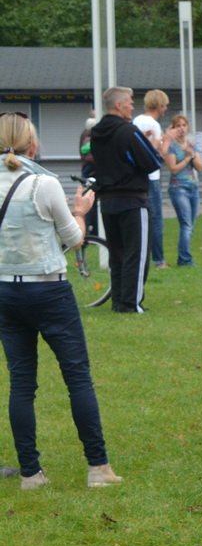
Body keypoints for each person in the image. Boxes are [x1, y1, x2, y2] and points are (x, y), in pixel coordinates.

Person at [0, 115, 122, 491]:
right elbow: (74, 239)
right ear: (33, 146)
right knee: (77, 377)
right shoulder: (44, 183)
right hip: (49, 290)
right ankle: (98, 467)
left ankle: (30, 474)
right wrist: (81, 210)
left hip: (5, 289)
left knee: (21, 383)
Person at [88, 87, 162, 313]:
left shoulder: (96, 133)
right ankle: (131, 304)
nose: (132, 106)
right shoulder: (128, 131)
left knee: (117, 254)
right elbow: (152, 161)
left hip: (107, 201)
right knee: (136, 254)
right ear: (119, 105)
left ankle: (119, 300)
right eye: (129, 102)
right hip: (132, 200)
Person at [134, 89, 170, 269]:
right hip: (151, 177)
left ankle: (143, 256)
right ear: (160, 105)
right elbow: (159, 153)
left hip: (138, 176)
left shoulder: (136, 121)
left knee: (142, 218)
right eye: (165, 105)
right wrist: (168, 140)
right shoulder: (153, 124)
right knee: (156, 218)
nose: (166, 109)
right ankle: (159, 260)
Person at [163, 114, 202, 267]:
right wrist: (186, 158)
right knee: (186, 224)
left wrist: (192, 155)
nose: (181, 129)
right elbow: (173, 169)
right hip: (178, 188)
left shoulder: (191, 145)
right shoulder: (170, 146)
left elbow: (200, 167)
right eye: (177, 126)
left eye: (183, 125)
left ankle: (182, 257)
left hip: (193, 186)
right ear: (173, 128)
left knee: (190, 225)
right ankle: (185, 260)